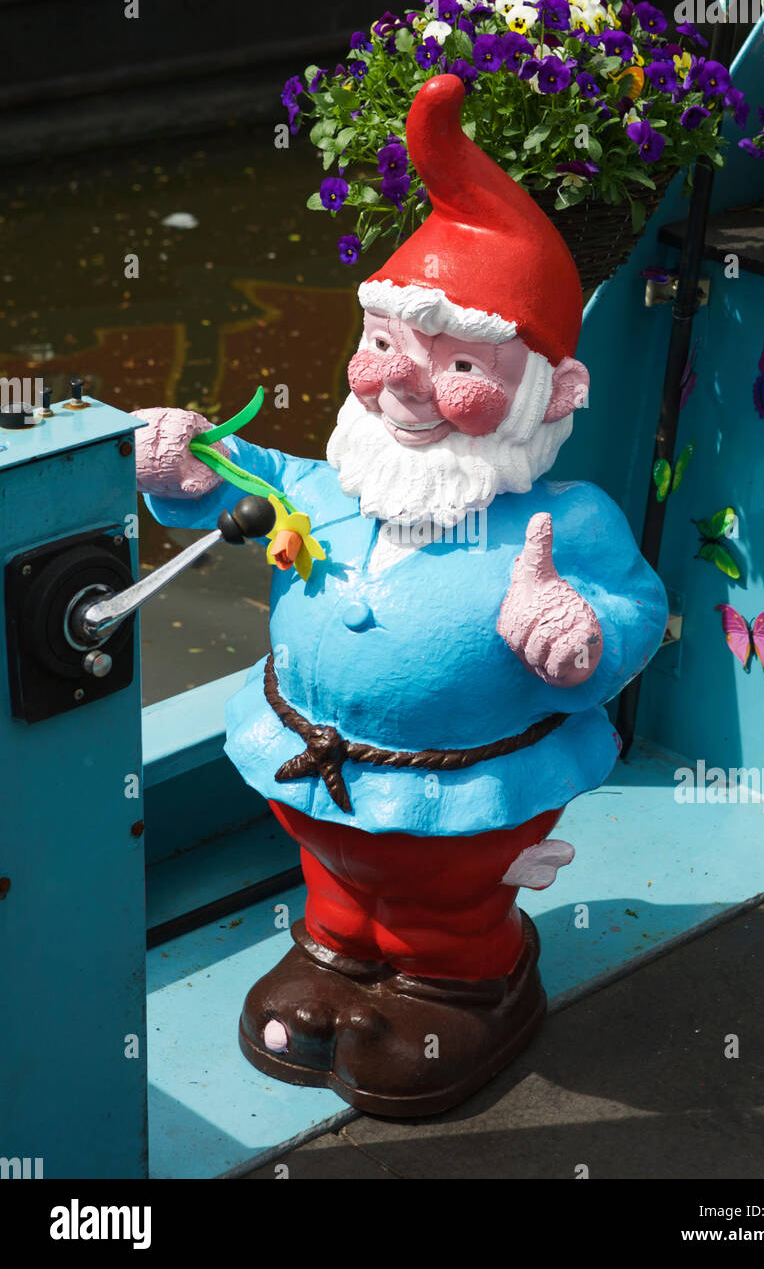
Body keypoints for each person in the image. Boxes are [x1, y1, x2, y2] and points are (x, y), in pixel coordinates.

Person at [133, 73, 667, 1116]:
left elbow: (631, 608)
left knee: (449, 899)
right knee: (334, 878)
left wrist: (576, 628)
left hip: (470, 795)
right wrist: (193, 462)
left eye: (458, 360)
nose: (402, 384)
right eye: (383, 346)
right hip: (320, 769)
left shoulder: (566, 519)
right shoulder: (343, 475)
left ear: (547, 394)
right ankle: (335, 951)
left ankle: (457, 981)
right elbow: (260, 480)